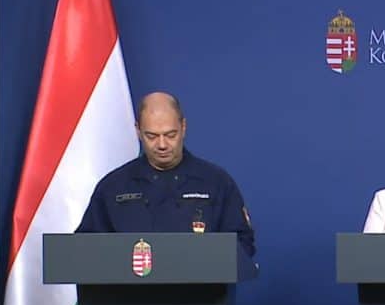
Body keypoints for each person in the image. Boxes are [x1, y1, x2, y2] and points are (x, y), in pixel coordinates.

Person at [76, 92, 256, 258]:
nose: (162, 145)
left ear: (183, 127)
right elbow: (85, 251)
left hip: (199, 283)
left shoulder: (217, 182)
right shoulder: (113, 187)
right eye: (152, 136)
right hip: (130, 283)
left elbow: (242, 246)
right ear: (138, 131)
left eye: (170, 135)